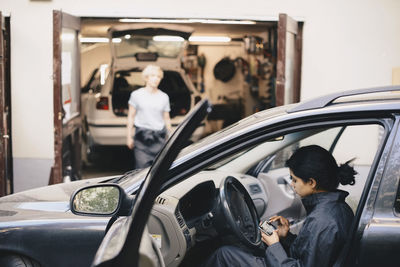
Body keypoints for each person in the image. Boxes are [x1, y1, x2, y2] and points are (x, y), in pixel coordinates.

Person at [203, 145, 357, 267]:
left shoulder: (323, 221)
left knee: (224, 255)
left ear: (311, 182)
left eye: (295, 180)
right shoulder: (335, 209)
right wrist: (286, 237)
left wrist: (274, 245)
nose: (292, 184)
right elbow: (309, 253)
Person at [126, 65, 172, 169]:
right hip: (142, 138)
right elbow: (131, 116)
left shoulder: (164, 97)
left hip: (159, 139)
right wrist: (129, 137)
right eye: (153, 75)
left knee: (158, 171)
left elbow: (166, 118)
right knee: (141, 171)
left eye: (158, 76)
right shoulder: (136, 95)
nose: (156, 79)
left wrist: (170, 136)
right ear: (146, 77)